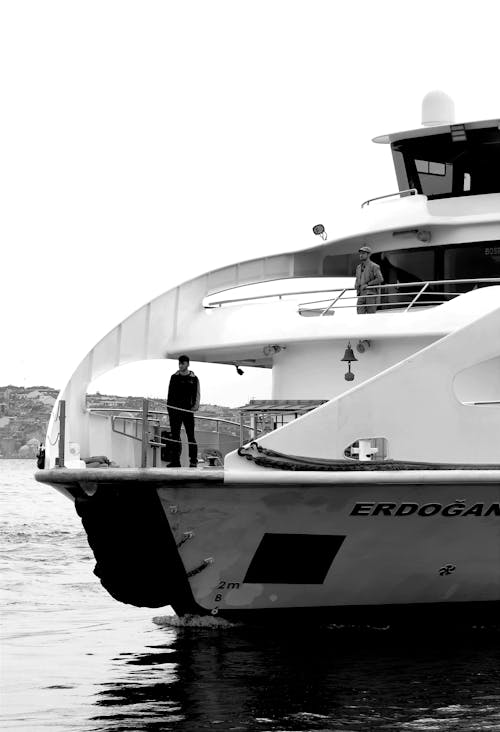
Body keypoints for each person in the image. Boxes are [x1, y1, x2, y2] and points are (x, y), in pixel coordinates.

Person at [166, 355, 200, 467]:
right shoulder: (174, 377)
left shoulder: (194, 378)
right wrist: (170, 409)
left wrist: (194, 408)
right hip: (175, 411)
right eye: (179, 364)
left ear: (188, 364)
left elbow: (197, 395)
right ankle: (175, 461)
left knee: (191, 436)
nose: (180, 366)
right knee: (175, 436)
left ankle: (193, 461)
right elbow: (169, 394)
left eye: (183, 363)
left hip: (188, 411)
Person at [355, 245, 384, 314]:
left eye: (363, 253)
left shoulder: (374, 266)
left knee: (371, 316)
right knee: (359, 314)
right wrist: (356, 285)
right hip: (361, 294)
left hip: (370, 294)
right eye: (360, 253)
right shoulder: (358, 267)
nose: (361, 255)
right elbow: (357, 278)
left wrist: (367, 284)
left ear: (368, 255)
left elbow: (380, 279)